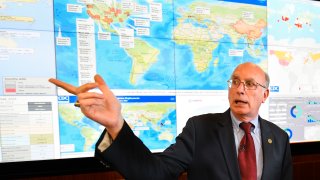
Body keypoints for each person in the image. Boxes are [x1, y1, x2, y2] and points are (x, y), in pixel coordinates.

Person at [49, 62, 293, 180]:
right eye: (235, 81)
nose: (240, 90)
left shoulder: (279, 138)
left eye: (250, 84)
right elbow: (156, 173)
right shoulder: (200, 129)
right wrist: (116, 125)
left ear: (265, 94)